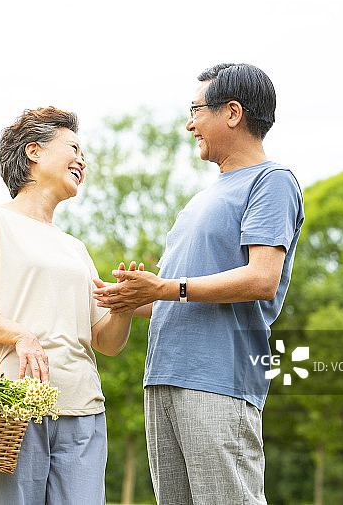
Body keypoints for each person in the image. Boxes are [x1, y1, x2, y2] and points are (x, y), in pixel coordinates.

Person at [93, 63, 305, 504]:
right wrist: (123, 297)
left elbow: (262, 278)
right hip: (163, 377)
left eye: (195, 110)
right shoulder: (200, 200)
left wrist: (165, 288)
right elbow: (171, 297)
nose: (189, 124)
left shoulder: (273, 182)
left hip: (219, 380)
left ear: (232, 112)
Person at [0, 106, 135, 505]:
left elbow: (107, 342)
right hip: (9, 405)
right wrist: (20, 335)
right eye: (73, 148)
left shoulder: (75, 248)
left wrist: (125, 306)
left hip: (82, 408)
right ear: (34, 151)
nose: (82, 160)